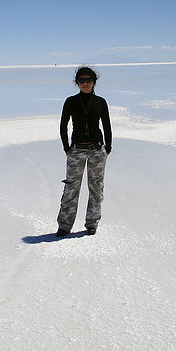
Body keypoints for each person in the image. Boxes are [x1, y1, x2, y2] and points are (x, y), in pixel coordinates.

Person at [56, 66, 112, 237]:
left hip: (97, 150)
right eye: (82, 81)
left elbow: (107, 126)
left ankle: (92, 223)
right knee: (71, 188)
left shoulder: (100, 102)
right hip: (77, 150)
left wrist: (107, 147)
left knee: (96, 188)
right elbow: (63, 125)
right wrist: (67, 147)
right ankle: (64, 225)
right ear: (77, 83)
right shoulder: (71, 101)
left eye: (88, 80)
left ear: (94, 82)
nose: (85, 83)